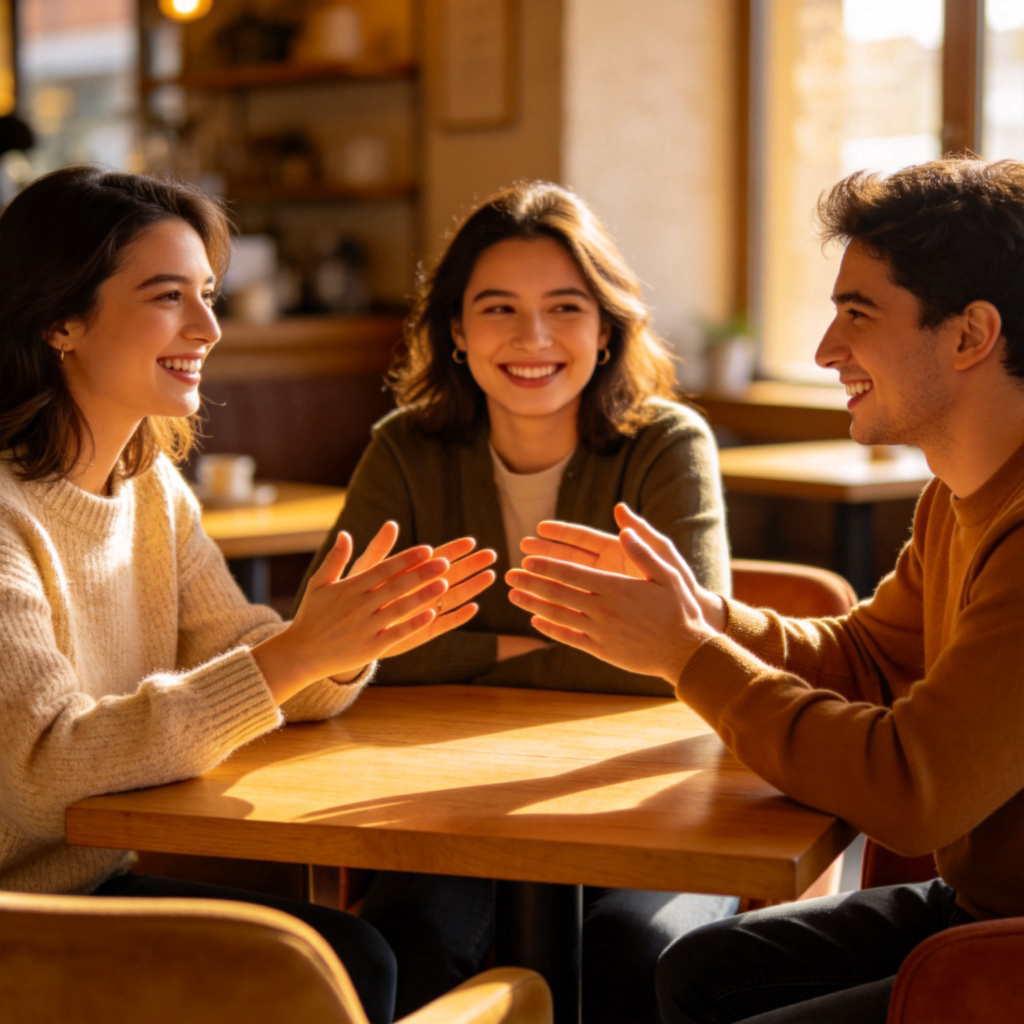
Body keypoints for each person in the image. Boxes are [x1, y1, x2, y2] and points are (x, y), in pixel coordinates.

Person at [505, 154, 1024, 1023]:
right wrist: (702, 616)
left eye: (856, 316)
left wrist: (685, 653)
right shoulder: (956, 497)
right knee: (702, 969)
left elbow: (911, 789)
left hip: (1010, 944)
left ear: (971, 335)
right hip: (977, 909)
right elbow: (865, 656)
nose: (826, 351)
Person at [0, 165, 495, 1024]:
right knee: (340, 962)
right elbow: (49, 770)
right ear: (59, 320)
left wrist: (344, 643)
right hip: (20, 920)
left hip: (97, 881)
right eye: (168, 297)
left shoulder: (152, 487)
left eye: (209, 294)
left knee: (354, 954)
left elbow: (240, 655)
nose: (208, 328)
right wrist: (296, 652)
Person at [297, 180, 736, 1021]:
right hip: (446, 806)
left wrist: (451, 650)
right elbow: (331, 648)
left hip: (642, 803)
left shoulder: (667, 446)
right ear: (457, 333)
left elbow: (685, 662)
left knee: (632, 956)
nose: (533, 337)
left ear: (605, 328)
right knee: (400, 942)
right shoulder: (406, 451)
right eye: (498, 308)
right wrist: (588, 642)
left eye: (565, 307)